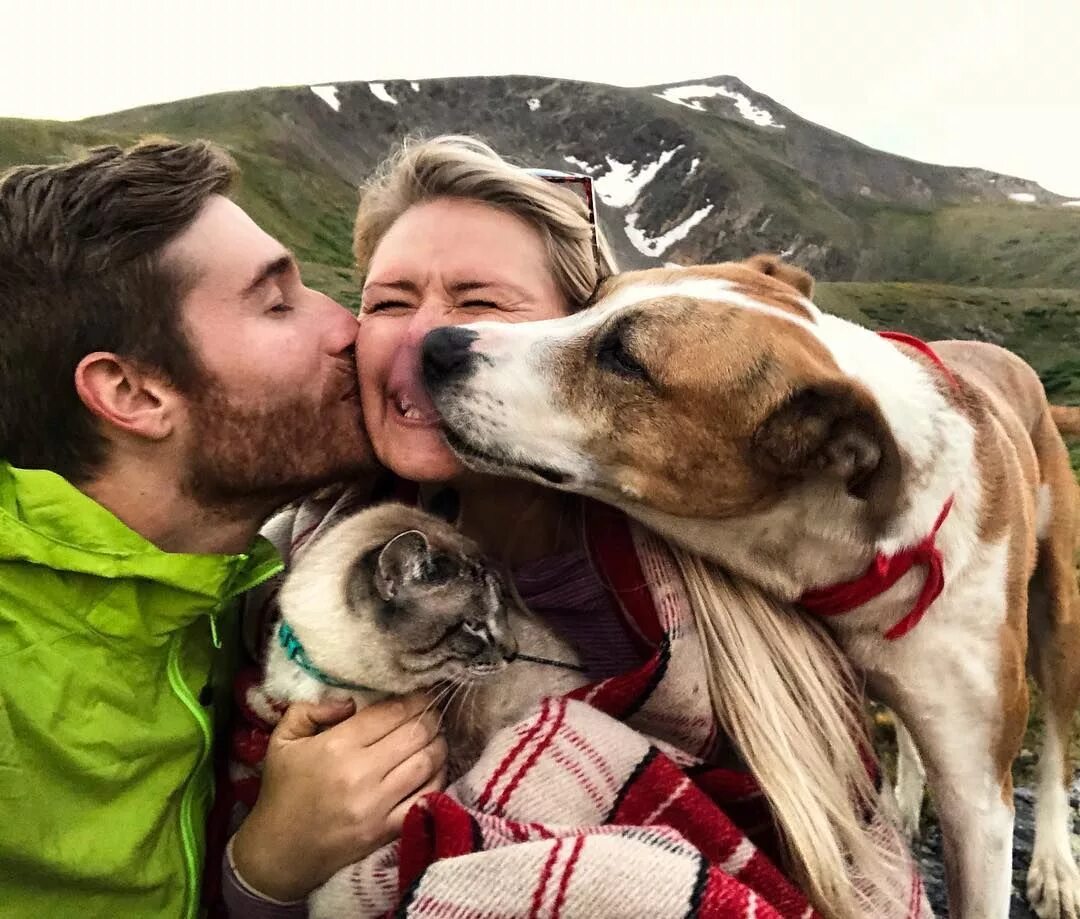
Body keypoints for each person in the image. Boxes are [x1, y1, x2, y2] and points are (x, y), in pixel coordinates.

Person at [226, 136, 931, 919]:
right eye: (389, 301)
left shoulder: (751, 625)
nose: (428, 338)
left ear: (577, 335)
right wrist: (265, 865)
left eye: (479, 301)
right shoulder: (289, 560)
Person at [0, 140, 448, 918]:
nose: (348, 328)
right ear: (133, 393)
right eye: (277, 303)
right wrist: (266, 868)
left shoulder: (242, 574)